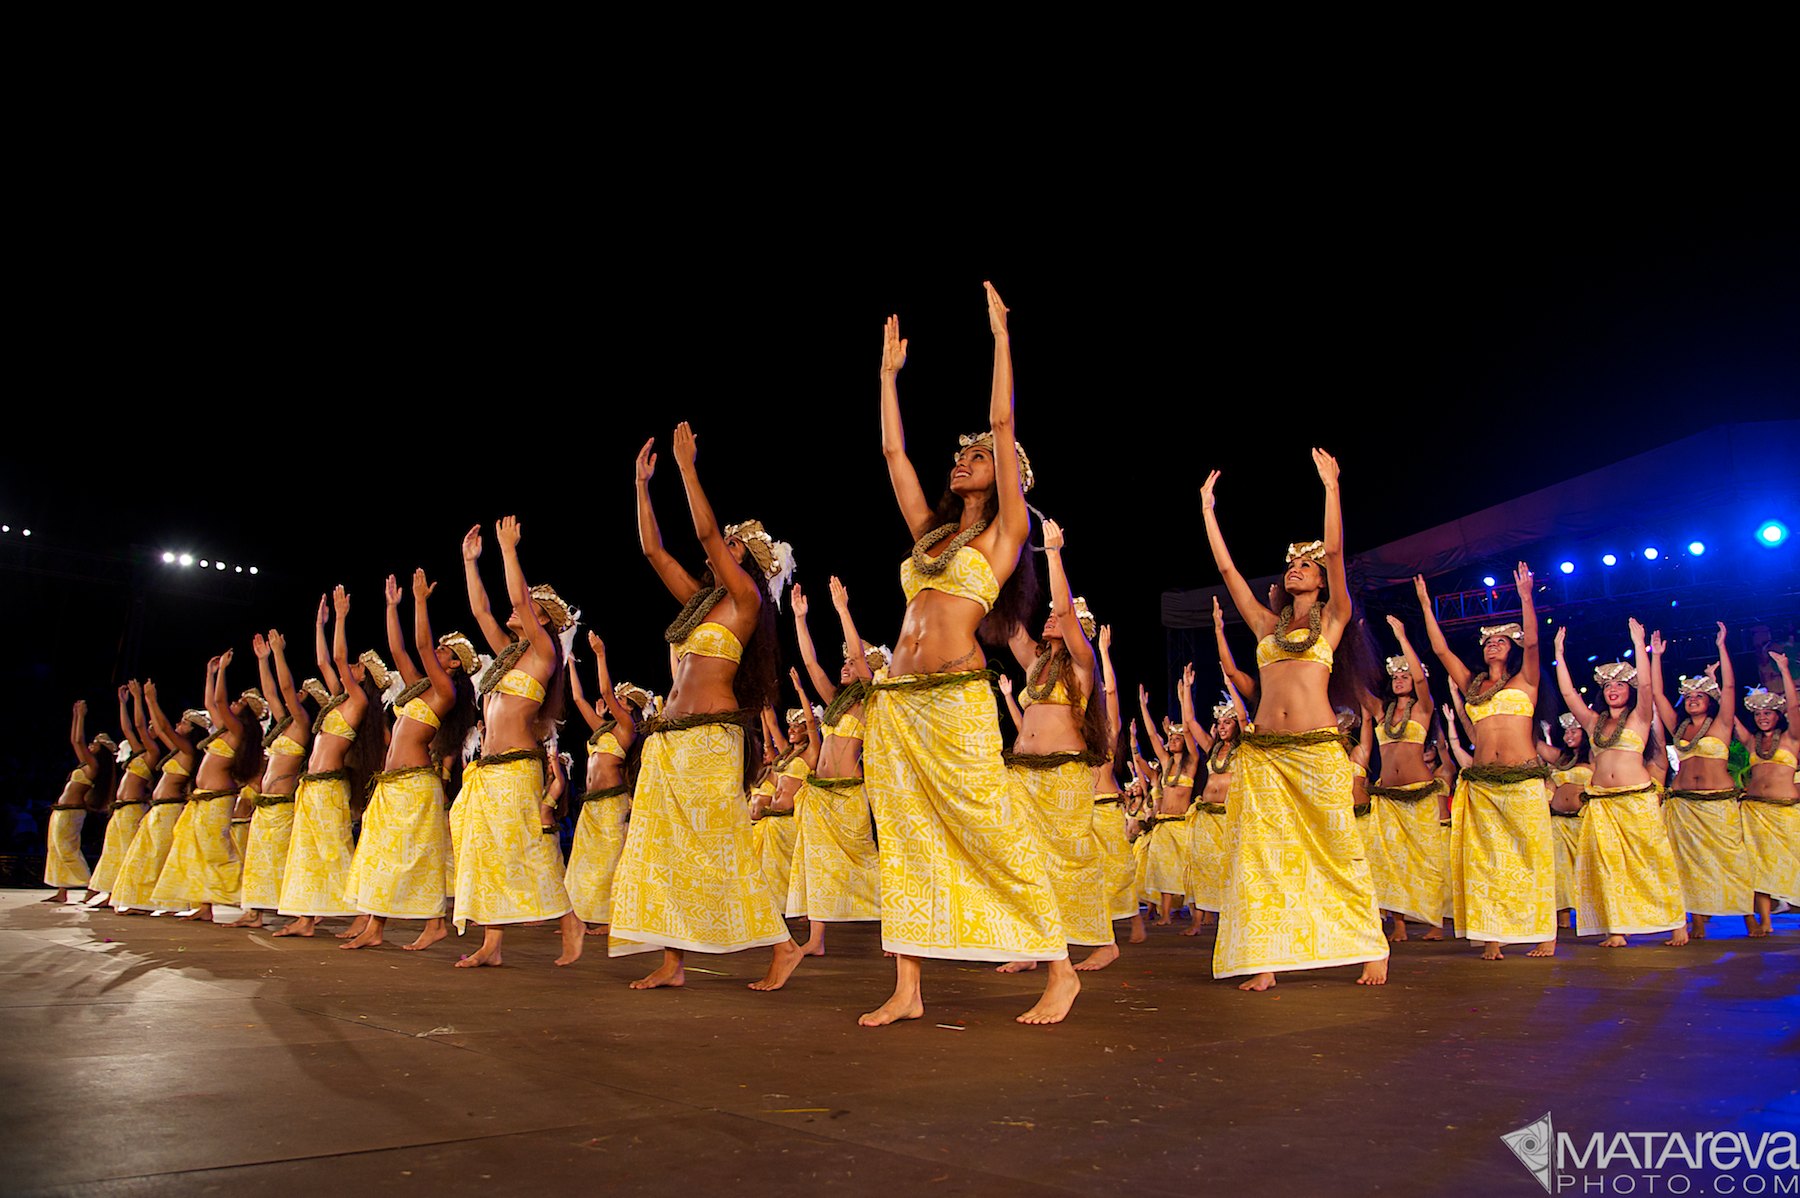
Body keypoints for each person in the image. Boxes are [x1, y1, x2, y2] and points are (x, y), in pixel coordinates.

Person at [859, 286, 1077, 1026]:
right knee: (905, 835)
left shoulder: (1005, 534)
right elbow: (893, 453)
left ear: (1006, 472)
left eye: (978, 456)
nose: (963, 460)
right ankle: (908, 988)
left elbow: (1003, 421)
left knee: (990, 824)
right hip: (898, 702)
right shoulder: (931, 533)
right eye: (959, 456)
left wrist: (1000, 339)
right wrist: (887, 378)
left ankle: (1060, 968)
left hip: (954, 697)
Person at [608, 425, 807, 991]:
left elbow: (704, 532)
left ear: (752, 565)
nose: (723, 548)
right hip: (669, 739)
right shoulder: (702, 604)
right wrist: (641, 486)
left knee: (720, 844)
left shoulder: (745, 601)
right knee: (662, 847)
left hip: (710, 740)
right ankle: (673, 961)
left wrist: (687, 468)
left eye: (735, 546)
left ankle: (783, 947)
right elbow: (652, 551)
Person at [1200, 451, 1388, 990]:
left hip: (1316, 748)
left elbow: (1336, 549)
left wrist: (1331, 486)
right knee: (1260, 853)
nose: (1296, 568)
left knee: (1337, 846)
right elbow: (1229, 572)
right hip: (1263, 755)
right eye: (1292, 565)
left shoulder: (1334, 618)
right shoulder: (1266, 625)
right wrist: (1208, 511)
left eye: (1307, 565)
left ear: (1323, 581)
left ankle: (1369, 946)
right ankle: (1265, 958)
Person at [452, 518, 584, 968]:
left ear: (541, 619)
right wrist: (470, 562)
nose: (516, 612)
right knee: (488, 853)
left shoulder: (543, 653)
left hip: (515, 767)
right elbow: (481, 612)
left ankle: (569, 920)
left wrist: (508, 549)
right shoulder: (508, 657)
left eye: (528, 609)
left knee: (524, 848)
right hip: (488, 770)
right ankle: (492, 944)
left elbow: (517, 600)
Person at [1415, 567, 1556, 960]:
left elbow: (1534, 645)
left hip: (1523, 779)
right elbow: (1442, 652)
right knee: (1487, 859)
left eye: (1501, 641)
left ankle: (1544, 932)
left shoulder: (1525, 681)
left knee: (1531, 854)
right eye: (1489, 642)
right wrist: (1425, 605)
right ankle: (1492, 935)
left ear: (1512, 647)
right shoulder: (1473, 686)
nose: (1493, 646)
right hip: (1482, 784)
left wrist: (1525, 596)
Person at [341, 571, 477, 951]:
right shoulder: (421, 687)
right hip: (391, 784)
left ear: (454, 665)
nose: (438, 652)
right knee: (379, 852)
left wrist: (419, 602)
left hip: (415, 783)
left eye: (445, 651)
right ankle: (375, 926)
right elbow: (399, 650)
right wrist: (391, 607)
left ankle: (434, 924)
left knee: (417, 854)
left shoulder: (445, 691)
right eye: (441, 648)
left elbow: (420, 644)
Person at [1001, 527, 1115, 971]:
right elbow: (1011, 623)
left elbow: (1064, 610)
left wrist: (1052, 553)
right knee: (1023, 856)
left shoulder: (1083, 665)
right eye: (1046, 615)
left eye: (1057, 617)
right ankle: (1034, 945)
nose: (1049, 618)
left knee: (1073, 858)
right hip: (1023, 772)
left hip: (1064, 772)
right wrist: (1004, 552)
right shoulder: (1035, 666)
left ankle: (1103, 942)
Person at [1554, 622, 1688, 948]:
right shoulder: (1592, 722)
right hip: (1602, 801)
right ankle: (1616, 929)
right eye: (1608, 685)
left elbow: (1647, 684)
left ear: (1629, 690)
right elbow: (1569, 695)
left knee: (1653, 860)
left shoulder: (1640, 717)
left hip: (1636, 798)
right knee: (1608, 865)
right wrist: (1558, 653)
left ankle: (1676, 924)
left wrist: (1639, 643)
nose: (1613, 689)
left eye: (1619, 684)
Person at [275, 591, 385, 937]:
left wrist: (340, 617)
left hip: (329, 787)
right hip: (311, 786)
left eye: (356, 667)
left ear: (364, 677)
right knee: (306, 852)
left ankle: (362, 913)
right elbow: (325, 661)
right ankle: (305, 919)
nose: (349, 667)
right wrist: (318, 624)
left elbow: (336, 659)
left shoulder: (358, 700)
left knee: (334, 851)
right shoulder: (339, 701)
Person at [784, 579, 884, 956]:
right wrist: (800, 619)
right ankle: (816, 940)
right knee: (818, 861)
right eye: (843, 662)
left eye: (851, 663)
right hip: (820, 795)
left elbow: (859, 657)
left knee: (864, 861)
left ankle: (895, 928)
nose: (845, 665)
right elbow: (811, 663)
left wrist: (843, 610)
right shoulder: (836, 703)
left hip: (847, 795)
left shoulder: (870, 702)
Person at [1652, 624, 1753, 939]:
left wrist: (1722, 646)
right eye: (1689, 696)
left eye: (1700, 696)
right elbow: (1656, 695)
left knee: (1731, 860)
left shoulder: (1721, 725)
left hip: (1718, 803)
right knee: (1688, 863)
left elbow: (1731, 687)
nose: (1693, 700)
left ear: (1710, 701)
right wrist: (1656, 656)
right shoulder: (1679, 728)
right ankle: (1695, 922)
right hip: (1684, 806)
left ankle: (1749, 918)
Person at [152, 652, 264, 922]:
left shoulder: (238, 731)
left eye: (239, 702)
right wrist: (210, 673)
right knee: (197, 851)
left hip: (217, 799)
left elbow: (219, 702)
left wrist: (223, 670)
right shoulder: (224, 730)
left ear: (245, 712)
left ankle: (252, 903)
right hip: (202, 798)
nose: (234, 703)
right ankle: (204, 907)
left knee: (217, 852)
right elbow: (210, 703)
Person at [1367, 618, 1448, 942]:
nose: (1400, 680)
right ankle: (1398, 923)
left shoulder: (1423, 709)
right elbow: (1357, 685)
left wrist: (1402, 636)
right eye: (1395, 677)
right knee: (1389, 860)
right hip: (1387, 795)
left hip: (1419, 792)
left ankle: (1434, 921)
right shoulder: (1381, 711)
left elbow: (1421, 678)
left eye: (1405, 676)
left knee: (1426, 858)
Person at [564, 634, 647, 937]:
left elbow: (603, 691)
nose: (615, 702)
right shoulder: (603, 729)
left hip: (612, 804)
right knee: (583, 860)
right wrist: (570, 664)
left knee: (610, 861)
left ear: (631, 709)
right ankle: (581, 916)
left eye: (622, 701)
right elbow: (578, 699)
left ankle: (613, 918)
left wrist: (600, 654)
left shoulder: (627, 729)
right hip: (592, 803)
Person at [229, 631, 311, 928]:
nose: (291, 698)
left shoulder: (301, 725)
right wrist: (263, 660)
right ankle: (254, 913)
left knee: (282, 858)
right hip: (264, 805)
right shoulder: (283, 726)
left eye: (299, 697)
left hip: (282, 806)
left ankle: (303, 915)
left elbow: (285, 689)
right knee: (258, 859)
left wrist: (278, 653)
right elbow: (272, 693)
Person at [109, 684, 201, 914]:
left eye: (184, 723)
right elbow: (156, 729)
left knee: (157, 855)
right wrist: (139, 700)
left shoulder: (188, 751)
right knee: (143, 855)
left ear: (193, 731)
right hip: (158, 809)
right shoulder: (177, 751)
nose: (179, 724)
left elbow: (164, 728)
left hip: (170, 810)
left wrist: (149, 699)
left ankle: (169, 903)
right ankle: (142, 902)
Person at [1737, 654, 1799, 936]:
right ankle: (1765, 922)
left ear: (1778, 715)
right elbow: (1729, 719)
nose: (1762, 718)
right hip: (1755, 812)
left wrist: (1784, 669)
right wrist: (1714, 684)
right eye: (1758, 714)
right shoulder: (1751, 742)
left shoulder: (1791, 738)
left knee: (1795, 861)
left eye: (1768, 713)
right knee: (1758, 867)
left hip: (1786, 810)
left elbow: (1794, 707)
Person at [44, 700, 114, 903]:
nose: (91, 744)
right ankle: (61, 892)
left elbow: (77, 741)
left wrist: (80, 716)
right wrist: (75, 715)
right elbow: (75, 741)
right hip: (62, 810)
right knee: (56, 849)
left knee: (67, 849)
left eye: (95, 743)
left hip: (71, 812)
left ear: (101, 750)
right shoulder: (86, 764)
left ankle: (91, 884)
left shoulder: (93, 766)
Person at [88, 686, 154, 902]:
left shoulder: (152, 754)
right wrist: (123, 704)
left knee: (127, 852)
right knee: (113, 852)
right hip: (121, 809)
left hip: (133, 809)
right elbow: (128, 729)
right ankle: (111, 893)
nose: (148, 729)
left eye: (152, 728)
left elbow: (138, 726)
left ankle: (129, 896)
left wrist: (138, 698)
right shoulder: (139, 754)